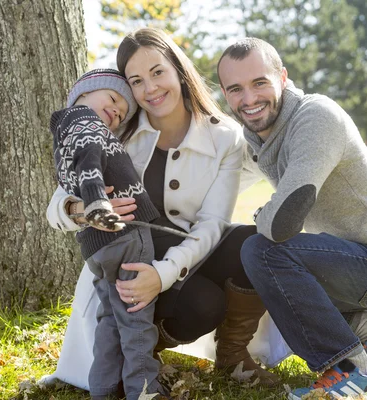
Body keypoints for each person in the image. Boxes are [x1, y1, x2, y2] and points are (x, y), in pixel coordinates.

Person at [39, 28, 289, 395]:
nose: (150, 89)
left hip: (185, 255)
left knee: (250, 241)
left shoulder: (224, 137)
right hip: (125, 266)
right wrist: (81, 208)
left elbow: (212, 224)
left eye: (158, 72)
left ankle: (233, 355)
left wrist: (162, 275)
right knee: (204, 304)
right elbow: (55, 209)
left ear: (178, 70)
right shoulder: (116, 129)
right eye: (137, 81)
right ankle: (134, 349)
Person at [216, 37, 367, 399]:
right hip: (351, 262)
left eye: (259, 83)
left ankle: (353, 371)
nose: (248, 99)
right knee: (254, 249)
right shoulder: (257, 137)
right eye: (236, 89)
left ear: (282, 77)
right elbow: (219, 176)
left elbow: (283, 221)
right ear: (225, 93)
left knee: (262, 250)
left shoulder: (315, 117)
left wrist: (262, 213)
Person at [50, 68, 167, 399]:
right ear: (84, 92)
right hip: (126, 237)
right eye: (113, 99)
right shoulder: (85, 120)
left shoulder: (65, 135)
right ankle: (144, 392)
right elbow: (89, 165)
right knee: (136, 324)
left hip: (96, 248)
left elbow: (85, 166)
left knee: (111, 322)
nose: (116, 113)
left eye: (121, 115)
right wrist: (98, 203)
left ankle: (102, 390)